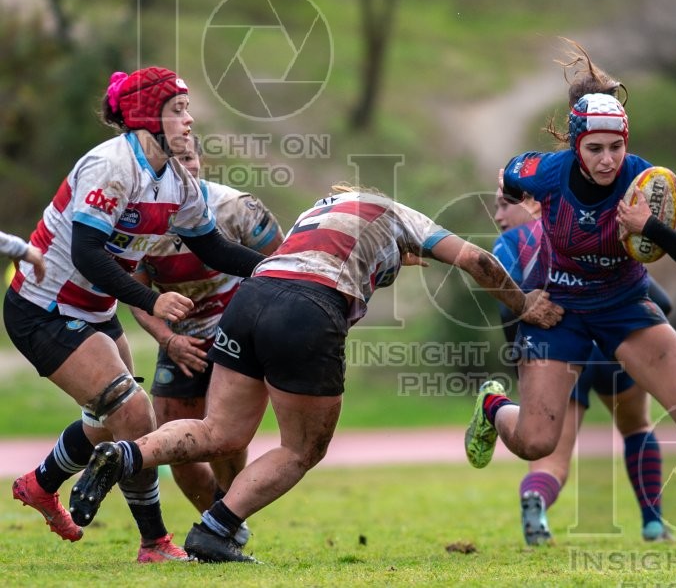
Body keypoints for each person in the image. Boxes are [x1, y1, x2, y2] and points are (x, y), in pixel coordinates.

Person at [67, 185, 564, 564]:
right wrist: (523, 304)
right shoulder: (399, 214)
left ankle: (126, 454)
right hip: (308, 308)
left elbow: (375, 258)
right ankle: (216, 530)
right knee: (302, 448)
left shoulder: (320, 211)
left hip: (251, 295)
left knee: (219, 431)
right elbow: (476, 259)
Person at [463, 66, 676, 552]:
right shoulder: (546, 172)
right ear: (575, 147)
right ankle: (493, 407)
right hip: (561, 309)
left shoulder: (651, 184)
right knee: (537, 442)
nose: (607, 160)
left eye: (615, 147)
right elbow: (512, 175)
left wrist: (650, 226)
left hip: (624, 306)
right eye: (595, 149)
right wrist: (520, 203)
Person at [6, 66, 267, 562]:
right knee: (133, 413)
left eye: (187, 109)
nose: (189, 120)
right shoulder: (111, 166)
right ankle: (154, 543)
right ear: (149, 116)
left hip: (94, 309)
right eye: (178, 110)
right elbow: (86, 253)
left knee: (107, 424)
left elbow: (212, 247)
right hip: (43, 308)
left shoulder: (177, 181)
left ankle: (40, 484)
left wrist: (278, 270)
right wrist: (152, 302)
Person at [494, 182, 674, 546]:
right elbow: (661, 301)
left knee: (550, 456)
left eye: (504, 204)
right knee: (637, 426)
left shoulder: (512, 243)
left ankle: (536, 500)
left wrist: (524, 365)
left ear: (531, 202)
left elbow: (506, 308)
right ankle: (654, 525)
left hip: (559, 354)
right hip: (612, 350)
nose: (498, 216)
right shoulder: (586, 230)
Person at [128, 135, 284, 544]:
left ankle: (226, 522)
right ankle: (225, 524)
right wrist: (168, 339)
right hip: (181, 342)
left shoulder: (238, 208)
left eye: (189, 158)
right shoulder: (136, 220)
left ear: (202, 161)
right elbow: (136, 295)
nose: (183, 167)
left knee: (228, 441)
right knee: (177, 449)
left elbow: (284, 267)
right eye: (172, 160)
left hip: (236, 337)